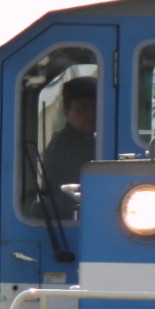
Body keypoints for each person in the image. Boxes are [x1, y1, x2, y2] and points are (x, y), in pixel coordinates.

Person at [39, 76, 97, 218]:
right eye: (81, 109)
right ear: (66, 111)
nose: (90, 115)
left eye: (95, 108)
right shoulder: (62, 148)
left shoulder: (98, 141)